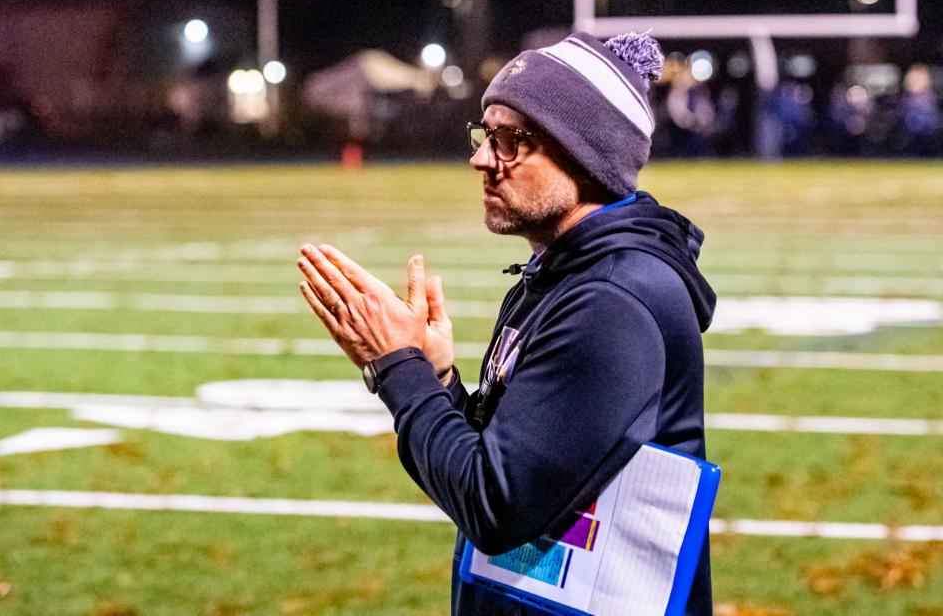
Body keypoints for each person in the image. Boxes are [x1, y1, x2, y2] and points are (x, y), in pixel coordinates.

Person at [297, 31, 717, 615]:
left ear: (584, 153)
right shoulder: (564, 270)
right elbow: (494, 464)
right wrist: (438, 379)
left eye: (511, 140)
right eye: (485, 135)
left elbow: (495, 510)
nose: (481, 159)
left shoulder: (612, 300)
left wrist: (399, 371)